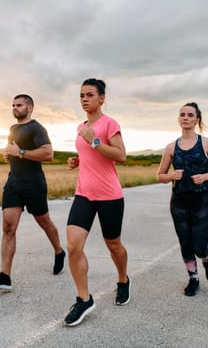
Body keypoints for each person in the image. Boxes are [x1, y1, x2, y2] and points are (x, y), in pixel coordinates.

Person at [63, 78, 130, 327]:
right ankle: (84, 298)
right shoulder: (81, 127)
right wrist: (77, 160)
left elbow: (121, 156)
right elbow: (91, 156)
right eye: (81, 95)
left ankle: (123, 279)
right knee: (73, 246)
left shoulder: (109, 124)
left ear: (102, 98)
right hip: (84, 194)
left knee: (113, 245)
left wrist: (95, 141)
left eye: (90, 95)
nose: (84, 99)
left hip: (110, 195)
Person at [0, 94, 65, 291]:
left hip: (34, 184)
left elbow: (48, 154)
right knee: (8, 227)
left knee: (44, 222)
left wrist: (20, 153)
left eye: (18, 105)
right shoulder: (13, 129)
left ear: (29, 108)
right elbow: (13, 150)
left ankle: (59, 251)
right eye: (13, 105)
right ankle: (5, 276)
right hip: (14, 183)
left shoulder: (36, 128)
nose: (14, 108)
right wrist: (9, 155)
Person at [156, 102, 208, 296]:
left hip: (202, 201)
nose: (185, 117)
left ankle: (206, 258)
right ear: (179, 119)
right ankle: (193, 278)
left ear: (196, 120)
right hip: (179, 202)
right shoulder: (170, 147)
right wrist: (171, 176)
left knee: (199, 245)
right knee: (185, 243)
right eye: (182, 114)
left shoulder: (207, 143)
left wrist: (205, 176)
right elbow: (159, 175)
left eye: (189, 115)